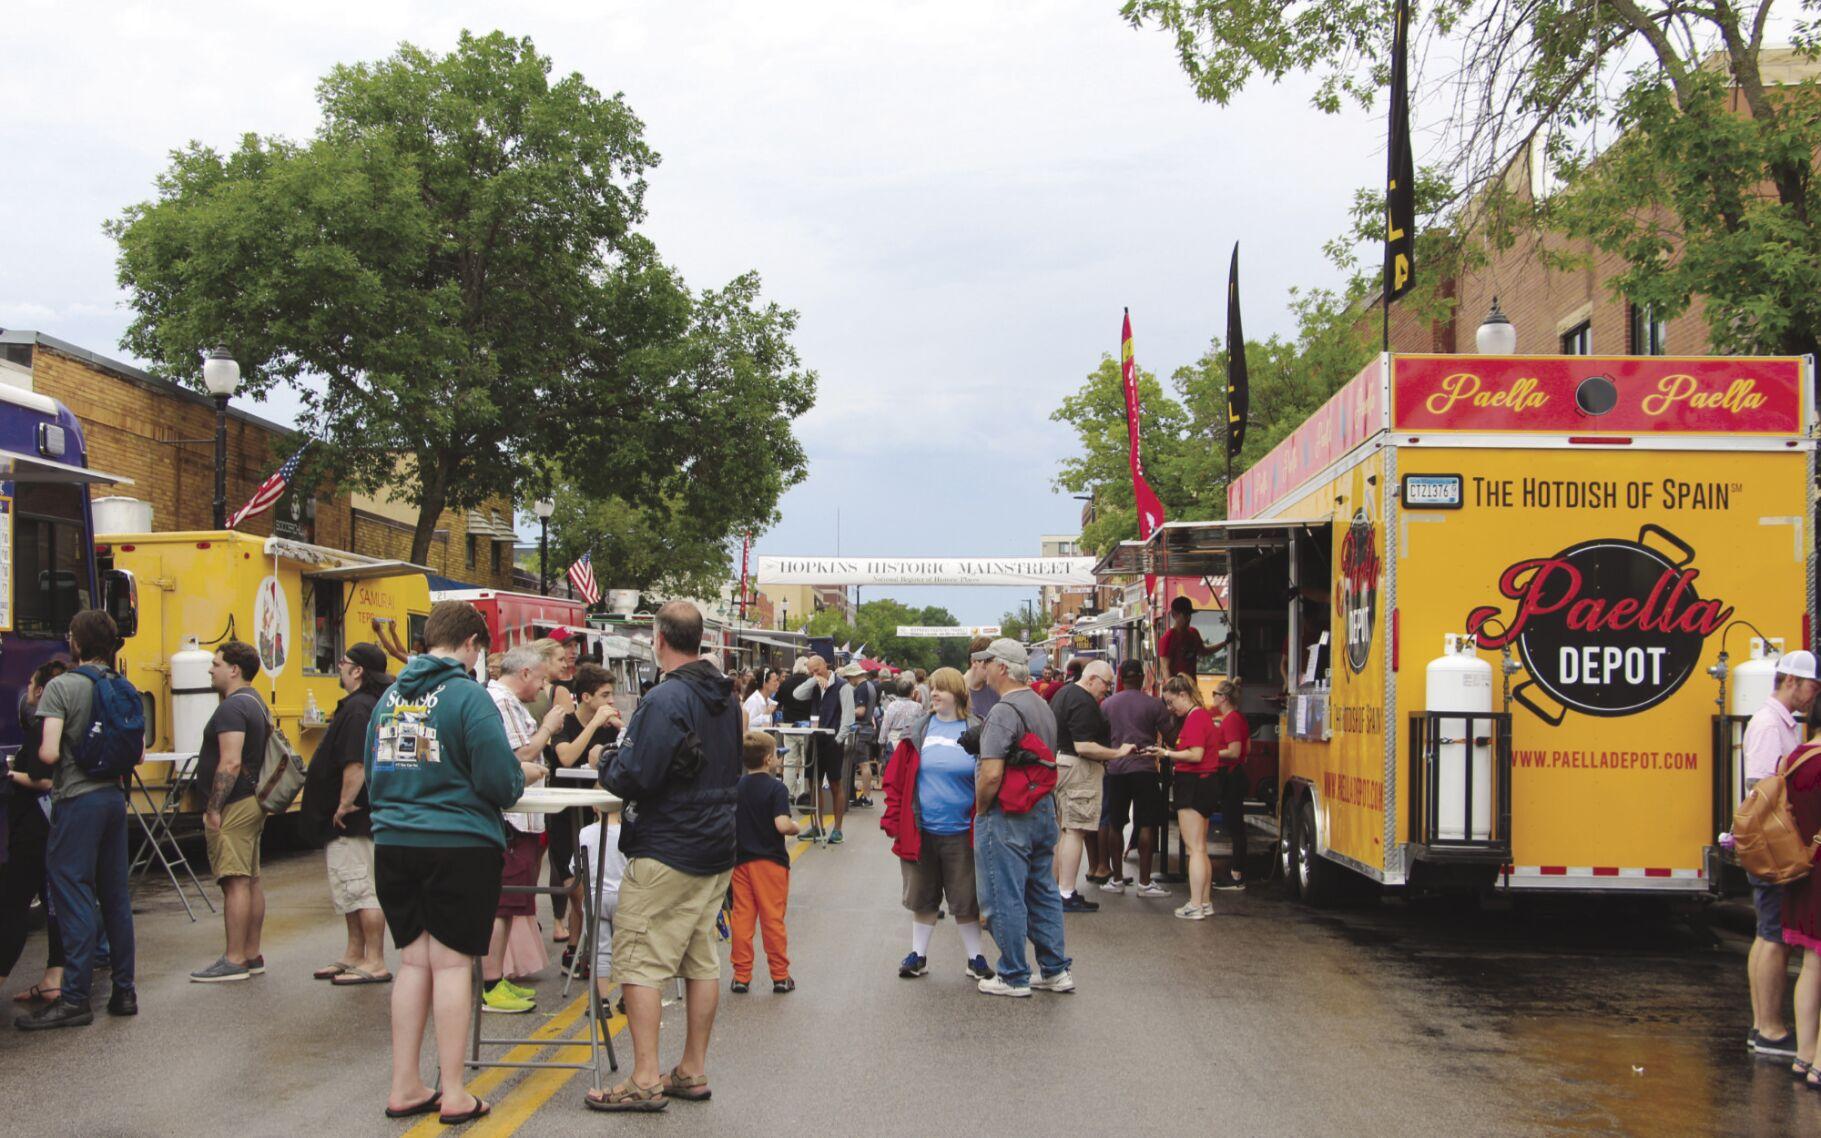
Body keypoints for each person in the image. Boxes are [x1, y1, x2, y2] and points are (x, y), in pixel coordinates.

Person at [367, 600, 533, 1125]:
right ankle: (455, 1090)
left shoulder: (389, 697)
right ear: (471, 645)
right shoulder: (468, 697)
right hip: (458, 842)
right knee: (454, 963)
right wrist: (520, 777)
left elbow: (375, 769)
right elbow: (499, 781)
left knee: (413, 963)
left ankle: (405, 1083)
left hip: (394, 840)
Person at [591, 601, 741, 1112]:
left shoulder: (665, 698)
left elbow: (637, 775)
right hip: (717, 843)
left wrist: (605, 759)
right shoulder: (726, 696)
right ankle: (692, 1069)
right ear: (700, 639)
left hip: (669, 843)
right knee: (700, 959)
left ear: (658, 639)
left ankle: (644, 1077)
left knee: (640, 960)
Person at [17, 612, 136, 1029]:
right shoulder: (122, 685)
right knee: (116, 897)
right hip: (113, 800)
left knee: (72, 892)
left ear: (78, 643)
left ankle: (74, 999)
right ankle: (124, 991)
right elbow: (135, 753)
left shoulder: (62, 687)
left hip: (76, 800)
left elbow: (48, 755)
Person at [970, 638, 1072, 997]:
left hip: (1009, 811)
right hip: (1041, 806)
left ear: (1001, 667)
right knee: (1042, 890)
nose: (981, 667)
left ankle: (1013, 973)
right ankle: (1055, 969)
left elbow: (992, 773)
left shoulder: (1003, 710)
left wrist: (982, 808)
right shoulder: (1041, 705)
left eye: (986, 662)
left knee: (1003, 893)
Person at [881, 666, 993, 981]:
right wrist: (892, 818)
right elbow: (897, 780)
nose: (935, 694)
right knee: (923, 896)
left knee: (966, 900)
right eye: (933, 688)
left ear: (957, 692)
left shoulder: (978, 730)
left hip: (963, 831)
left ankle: (976, 958)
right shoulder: (919, 730)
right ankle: (918, 955)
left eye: (940, 688)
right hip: (922, 829)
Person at [298, 642, 393, 986]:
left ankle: (374, 960)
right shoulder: (362, 706)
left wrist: (344, 803)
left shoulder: (357, 710)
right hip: (350, 820)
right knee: (349, 889)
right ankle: (354, 953)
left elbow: (355, 762)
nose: (339, 667)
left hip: (352, 819)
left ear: (357, 671)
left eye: (343, 663)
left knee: (362, 888)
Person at [1742, 650, 1818, 1058]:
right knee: (1774, 936)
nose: (1813, 695)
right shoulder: (1772, 725)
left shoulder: (1779, 723)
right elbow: (1763, 788)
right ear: (1791, 681)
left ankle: (1761, 1024)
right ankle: (1769, 1029)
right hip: (1774, 845)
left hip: (1770, 844)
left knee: (1765, 932)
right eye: (1811, 686)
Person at [482, 644, 564, 1012]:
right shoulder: (501, 702)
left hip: (522, 817)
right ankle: (491, 984)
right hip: (513, 817)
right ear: (526, 673)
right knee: (504, 903)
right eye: (542, 679)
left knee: (513, 903)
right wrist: (548, 727)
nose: (543, 688)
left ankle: (497, 979)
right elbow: (522, 755)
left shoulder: (504, 701)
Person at [189, 639, 273, 983]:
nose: (211, 669)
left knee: (234, 882)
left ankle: (234, 958)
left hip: (234, 803)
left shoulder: (231, 709)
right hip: (253, 799)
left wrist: (213, 807)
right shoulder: (256, 702)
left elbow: (230, 760)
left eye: (216, 663)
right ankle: (252, 953)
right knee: (250, 880)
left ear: (234, 669)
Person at [3, 661, 68, 1009]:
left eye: (31, 682)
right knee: (54, 903)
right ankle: (53, 980)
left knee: (12, 904)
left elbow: (44, 778)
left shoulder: (44, 725)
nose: (27, 688)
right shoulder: (61, 720)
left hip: (34, 827)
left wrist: (11, 776)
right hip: (56, 825)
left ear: (41, 691)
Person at [553, 663, 624, 968]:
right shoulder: (565, 723)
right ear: (585, 697)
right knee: (578, 890)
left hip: (597, 814)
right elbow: (566, 756)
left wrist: (622, 732)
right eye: (605, 695)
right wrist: (594, 725)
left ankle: (579, 951)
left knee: (590, 890)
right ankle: (580, 950)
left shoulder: (612, 726)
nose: (611, 702)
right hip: (564, 814)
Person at [1047, 660, 1131, 913]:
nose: (1107, 690)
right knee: (1075, 830)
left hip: (1061, 764)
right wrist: (1118, 753)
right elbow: (1084, 745)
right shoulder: (1083, 701)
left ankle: (1058, 890)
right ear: (1092, 678)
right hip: (1077, 768)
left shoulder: (1064, 693)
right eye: (1106, 684)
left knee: (1064, 831)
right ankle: (1066, 892)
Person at [730, 730, 799, 994]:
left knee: (742, 918)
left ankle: (741, 975)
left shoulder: (737, 786)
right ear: (769, 760)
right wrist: (794, 827)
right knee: (772, 919)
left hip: (741, 861)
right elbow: (781, 824)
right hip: (770, 862)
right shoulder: (776, 788)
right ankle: (780, 975)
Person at [1098, 659, 1174, 898]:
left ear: (1121, 678)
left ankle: (1117, 879)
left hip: (1116, 769)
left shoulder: (1107, 704)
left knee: (1115, 824)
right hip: (1144, 768)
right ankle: (1144, 882)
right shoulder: (1154, 705)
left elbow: (1101, 737)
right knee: (1146, 824)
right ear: (1142, 678)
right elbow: (1171, 735)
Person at [1778, 728, 1821, 1090]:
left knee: (1810, 964)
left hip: (1802, 867)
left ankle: (1804, 1055)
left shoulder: (1796, 758)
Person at [1158, 674, 1220, 920]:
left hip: (1192, 783)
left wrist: (1166, 753)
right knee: (1201, 847)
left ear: (1184, 695)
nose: (1170, 708)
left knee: (1194, 848)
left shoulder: (1194, 719)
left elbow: (1194, 754)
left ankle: (1195, 903)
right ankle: (1204, 902)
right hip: (1206, 782)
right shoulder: (1203, 716)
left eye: (1171, 702)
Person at [574, 800, 628, 1021]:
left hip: (595, 896)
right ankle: (627, 998)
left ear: (594, 807)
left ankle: (601, 1000)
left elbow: (575, 866)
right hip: (624, 897)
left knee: (600, 949)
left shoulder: (585, 833)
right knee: (626, 950)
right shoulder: (628, 833)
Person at [793, 655, 855, 843]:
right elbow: (796, 695)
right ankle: (817, 826)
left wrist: (838, 740)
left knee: (835, 784)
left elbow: (848, 717)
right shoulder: (813, 685)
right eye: (811, 671)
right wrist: (812, 680)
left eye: (816, 670)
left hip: (832, 740)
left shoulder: (843, 686)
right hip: (815, 739)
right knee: (813, 783)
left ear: (825, 665)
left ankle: (837, 829)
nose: (814, 674)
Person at [1207, 679, 1251, 891]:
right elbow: (1247, 748)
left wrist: (1212, 753)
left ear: (1224, 698)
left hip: (1232, 775)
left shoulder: (1231, 720)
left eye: (1215, 693)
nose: (1213, 697)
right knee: (1234, 825)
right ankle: (1237, 870)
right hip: (1236, 774)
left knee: (1234, 826)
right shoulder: (1236, 718)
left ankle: (1237, 874)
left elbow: (1234, 751)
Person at [849, 664, 880, 809]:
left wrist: (847, 709)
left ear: (855, 675)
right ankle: (865, 796)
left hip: (861, 727)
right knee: (864, 762)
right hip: (868, 727)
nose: (849, 680)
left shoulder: (861, 688)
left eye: (849, 677)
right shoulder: (870, 686)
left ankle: (866, 796)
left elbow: (860, 711)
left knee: (863, 763)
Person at [1158, 596, 1206, 683]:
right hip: (1176, 689)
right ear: (1174, 614)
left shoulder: (1194, 633)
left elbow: (1204, 651)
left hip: (1192, 688)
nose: (1188, 618)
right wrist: (1173, 691)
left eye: (1189, 614)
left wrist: (1225, 643)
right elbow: (1165, 668)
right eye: (1184, 614)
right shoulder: (1168, 637)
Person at [878, 674, 922, 753]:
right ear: (911, 692)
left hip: (894, 739)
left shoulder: (892, 705)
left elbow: (886, 725)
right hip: (911, 740)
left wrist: (882, 742)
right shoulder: (918, 707)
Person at [964, 637, 1001, 722]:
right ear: (974, 661)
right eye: (988, 663)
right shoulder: (955, 690)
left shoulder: (996, 689)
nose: (993, 668)